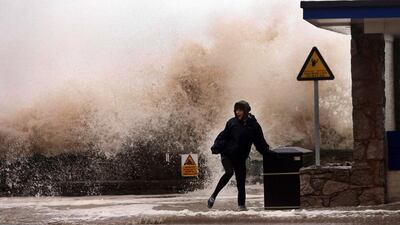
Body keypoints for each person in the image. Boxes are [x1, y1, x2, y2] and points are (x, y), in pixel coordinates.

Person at [208, 100, 272, 211]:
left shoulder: (254, 127)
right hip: (227, 154)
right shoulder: (232, 123)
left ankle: (241, 206)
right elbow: (223, 136)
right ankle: (213, 196)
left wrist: (268, 153)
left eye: (240, 110)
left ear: (246, 111)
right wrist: (216, 147)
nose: (238, 112)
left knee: (241, 182)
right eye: (236, 110)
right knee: (229, 172)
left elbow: (260, 143)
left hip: (240, 158)